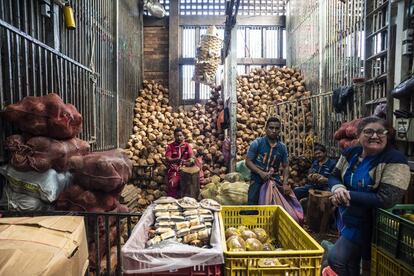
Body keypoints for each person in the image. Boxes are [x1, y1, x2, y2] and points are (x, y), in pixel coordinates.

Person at [327, 116, 411, 276]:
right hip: (347, 217)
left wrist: (348, 195)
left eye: (380, 132)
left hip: (370, 223)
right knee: (352, 263)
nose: (374, 136)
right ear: (358, 135)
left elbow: (386, 199)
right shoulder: (351, 152)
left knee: (336, 259)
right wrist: (338, 188)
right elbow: (334, 175)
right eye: (368, 132)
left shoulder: (395, 160)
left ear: (388, 135)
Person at [245, 117, 290, 205]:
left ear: (279, 130)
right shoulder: (257, 143)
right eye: (271, 128)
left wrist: (285, 183)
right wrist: (260, 172)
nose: (274, 130)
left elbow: (286, 166)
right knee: (252, 204)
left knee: (275, 205)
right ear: (266, 129)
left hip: (273, 178)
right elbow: (248, 161)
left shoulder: (282, 147)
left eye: (277, 128)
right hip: (257, 177)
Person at [165, 128, 194, 198]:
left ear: (183, 136)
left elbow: (192, 157)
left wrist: (190, 161)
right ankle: (172, 201)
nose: (179, 137)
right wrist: (175, 160)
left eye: (180, 135)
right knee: (172, 183)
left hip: (186, 170)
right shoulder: (170, 146)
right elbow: (167, 158)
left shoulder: (187, 146)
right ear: (174, 136)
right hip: (175, 170)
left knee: (190, 185)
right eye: (177, 136)